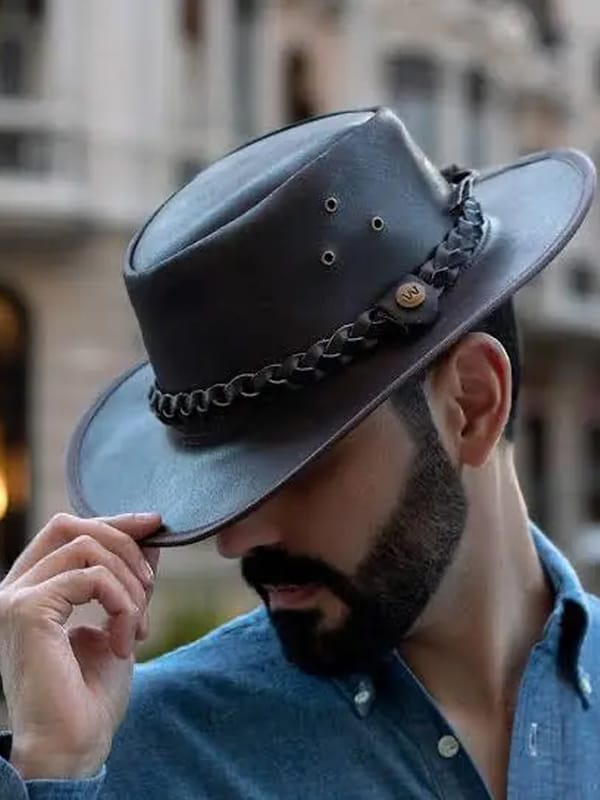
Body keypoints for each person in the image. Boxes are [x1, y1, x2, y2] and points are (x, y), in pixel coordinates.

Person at [0, 108, 597, 800]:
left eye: (303, 462)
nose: (236, 538)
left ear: (470, 404)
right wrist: (51, 772)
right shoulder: (135, 759)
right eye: (225, 481)